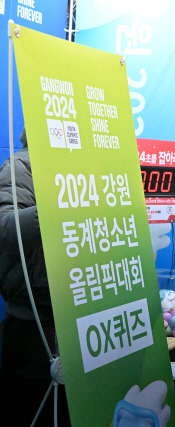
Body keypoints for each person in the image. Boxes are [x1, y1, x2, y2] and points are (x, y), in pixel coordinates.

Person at [0, 129, 71, 426]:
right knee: (29, 408)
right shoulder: (20, 166)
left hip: (74, 312)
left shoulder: (77, 167)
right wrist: (54, 211)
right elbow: (5, 227)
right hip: (32, 323)